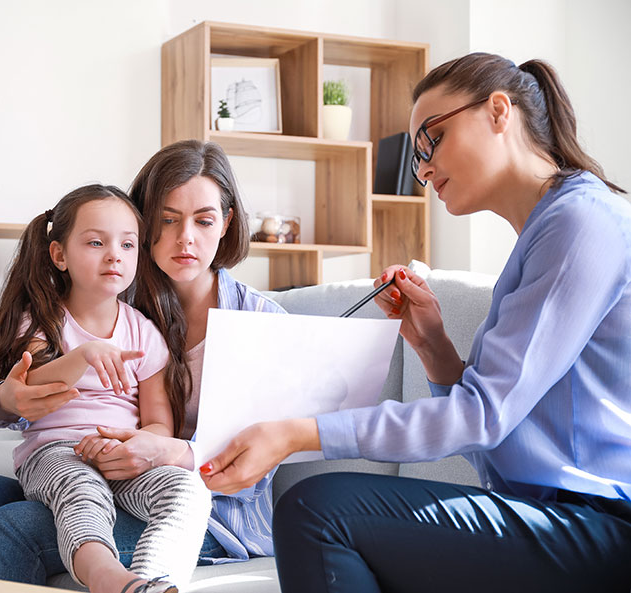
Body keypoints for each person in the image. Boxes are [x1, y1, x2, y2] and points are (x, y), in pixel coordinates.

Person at [198, 52, 631, 593]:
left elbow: (483, 418)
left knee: (316, 509)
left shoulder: (579, 222)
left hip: (597, 527)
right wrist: (432, 345)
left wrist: (299, 433)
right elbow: (491, 431)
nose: (422, 167)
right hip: (544, 514)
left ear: (499, 111)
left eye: (432, 139)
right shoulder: (547, 233)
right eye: (418, 156)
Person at [0, 140, 286, 585]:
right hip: (78, 461)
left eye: (204, 220)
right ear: (144, 224)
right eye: (167, 220)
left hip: (208, 511)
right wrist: (8, 400)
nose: (186, 237)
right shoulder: (112, 288)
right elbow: (20, 387)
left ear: (225, 223)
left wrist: (162, 450)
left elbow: (262, 458)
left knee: (19, 526)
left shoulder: (261, 322)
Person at [0, 183, 213, 593]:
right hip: (55, 451)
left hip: (124, 456)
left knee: (188, 488)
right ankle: (108, 580)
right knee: (82, 491)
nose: (114, 255)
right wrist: (83, 355)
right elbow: (30, 384)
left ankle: (155, 581)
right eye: (96, 242)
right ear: (59, 255)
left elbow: (159, 425)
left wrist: (131, 446)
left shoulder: (144, 332)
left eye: (128, 244)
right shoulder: (41, 321)